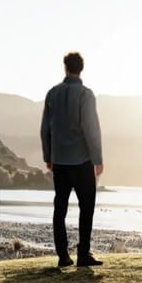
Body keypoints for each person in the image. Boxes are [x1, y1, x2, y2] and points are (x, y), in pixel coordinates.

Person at [40, 52, 104, 268]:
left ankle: (63, 256)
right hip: (82, 161)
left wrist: (48, 156)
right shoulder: (86, 95)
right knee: (87, 208)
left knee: (60, 209)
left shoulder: (52, 94)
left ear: (65, 67)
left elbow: (45, 129)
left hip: (60, 162)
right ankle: (83, 254)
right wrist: (98, 158)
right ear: (81, 69)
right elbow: (91, 129)